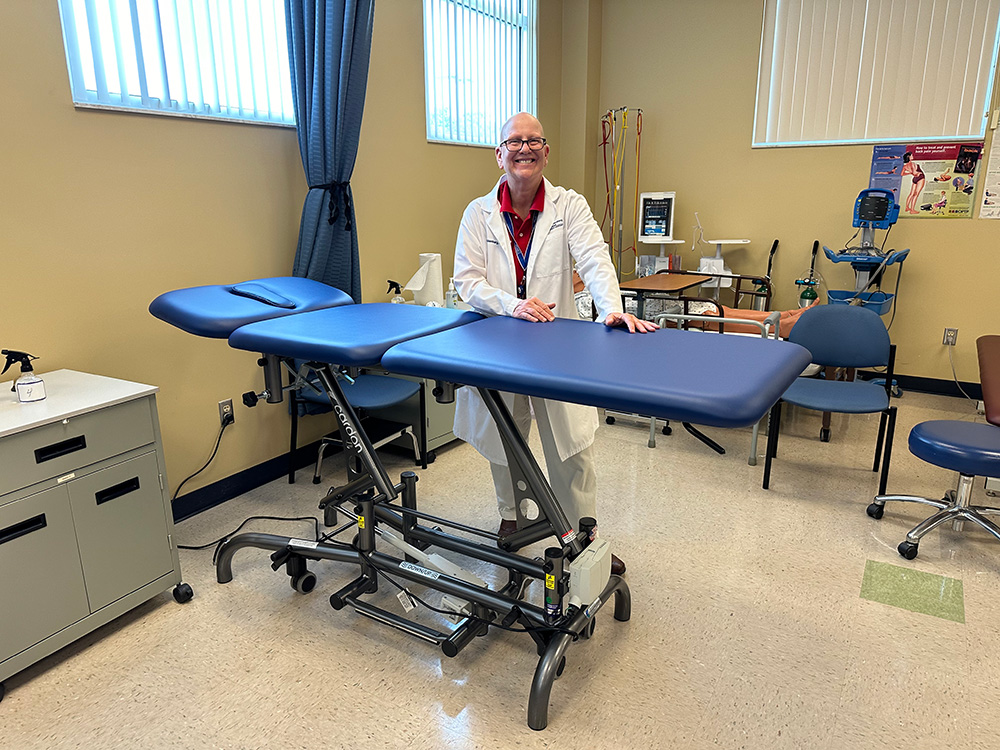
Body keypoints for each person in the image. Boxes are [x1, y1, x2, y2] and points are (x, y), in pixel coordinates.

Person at [452, 112, 656, 576]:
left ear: (545, 152)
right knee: (506, 440)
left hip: (557, 348)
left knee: (572, 447)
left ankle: (584, 539)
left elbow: (595, 259)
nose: (524, 149)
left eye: (534, 141)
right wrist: (513, 305)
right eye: (514, 142)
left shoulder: (569, 206)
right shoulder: (477, 213)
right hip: (500, 347)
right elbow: (468, 281)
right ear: (499, 154)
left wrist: (612, 309)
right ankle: (512, 517)